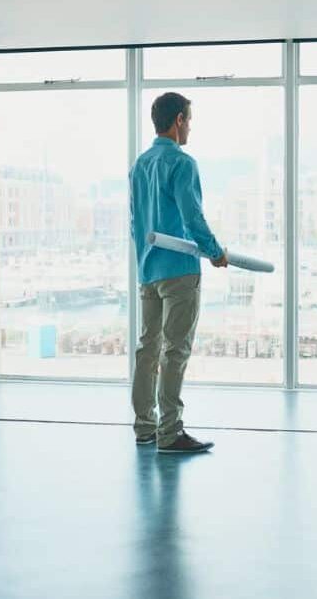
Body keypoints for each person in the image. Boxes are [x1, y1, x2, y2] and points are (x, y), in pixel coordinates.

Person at [129, 92, 228, 454]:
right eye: (189, 120)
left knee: (148, 349)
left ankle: (145, 427)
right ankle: (170, 433)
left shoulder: (139, 165)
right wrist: (216, 252)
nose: (190, 128)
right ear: (179, 121)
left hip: (149, 270)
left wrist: (144, 258)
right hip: (180, 271)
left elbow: (135, 222)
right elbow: (192, 217)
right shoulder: (183, 164)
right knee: (175, 351)